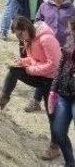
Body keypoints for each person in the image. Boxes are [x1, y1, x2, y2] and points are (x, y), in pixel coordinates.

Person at [0, 16, 61, 161]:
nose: (20, 38)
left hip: (53, 81)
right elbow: (35, 59)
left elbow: (54, 65)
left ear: (26, 28)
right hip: (41, 76)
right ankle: (3, 98)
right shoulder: (28, 39)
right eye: (17, 36)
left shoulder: (46, 39)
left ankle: (55, 146)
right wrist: (22, 61)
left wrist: (30, 69)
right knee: (14, 69)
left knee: (52, 114)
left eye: (20, 34)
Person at [26, 0, 75, 112]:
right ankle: (36, 101)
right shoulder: (44, 6)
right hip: (46, 47)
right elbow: (37, 23)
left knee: (60, 77)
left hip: (64, 49)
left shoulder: (72, 10)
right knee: (45, 74)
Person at [48, 17, 75, 166]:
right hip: (64, 94)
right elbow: (60, 66)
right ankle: (70, 162)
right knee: (58, 131)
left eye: (70, 28)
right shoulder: (68, 41)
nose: (67, 31)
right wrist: (53, 89)